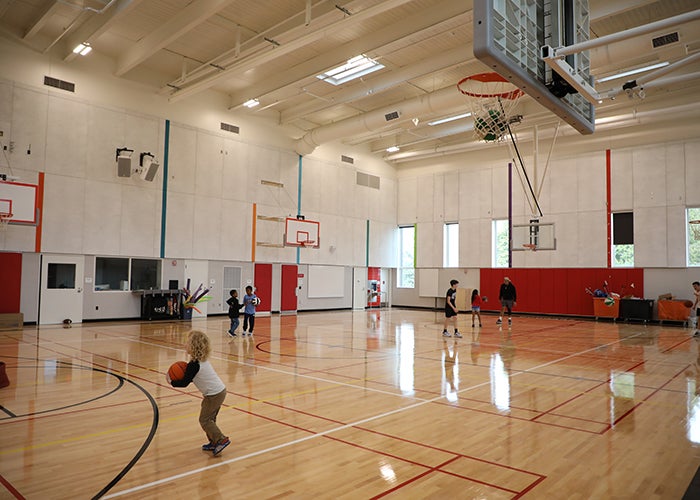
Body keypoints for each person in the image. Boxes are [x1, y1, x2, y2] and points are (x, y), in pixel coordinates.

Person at [167, 330, 230, 456]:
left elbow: (185, 382)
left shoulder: (194, 365)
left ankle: (221, 439)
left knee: (205, 420)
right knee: (210, 419)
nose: (185, 345)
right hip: (219, 392)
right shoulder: (200, 361)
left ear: (194, 346)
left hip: (214, 395)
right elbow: (190, 378)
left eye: (187, 343)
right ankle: (214, 442)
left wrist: (171, 381)